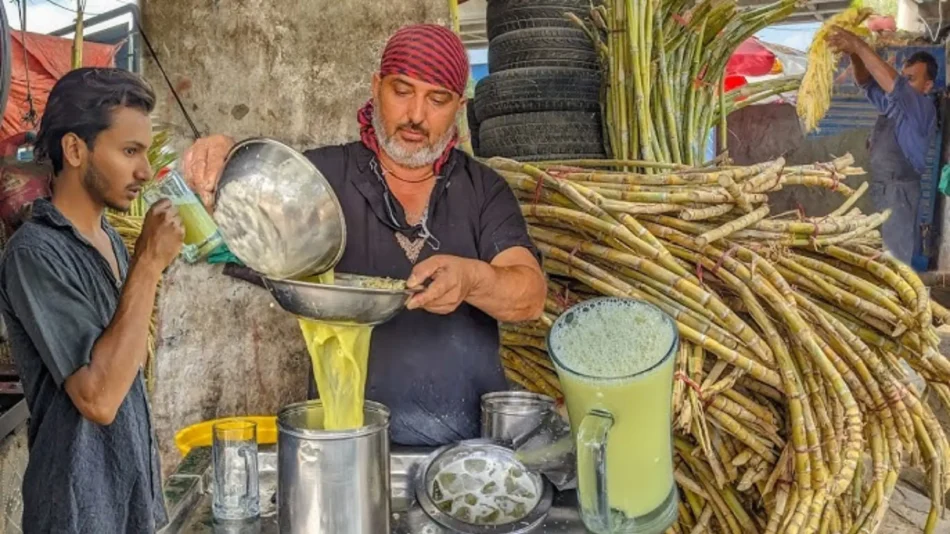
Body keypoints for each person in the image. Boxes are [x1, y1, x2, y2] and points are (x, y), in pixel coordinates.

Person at [185, 24, 547, 446]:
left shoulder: (483, 190)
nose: (416, 114)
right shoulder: (319, 179)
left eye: (437, 99)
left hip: (468, 451)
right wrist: (224, 158)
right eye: (402, 90)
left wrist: (472, 279)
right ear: (376, 87)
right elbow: (237, 210)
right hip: (344, 445)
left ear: (458, 107)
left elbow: (529, 297)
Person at [0, 68, 183, 532]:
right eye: (129, 151)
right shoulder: (35, 253)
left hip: (127, 500)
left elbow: (130, 362)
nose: (144, 170)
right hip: (77, 512)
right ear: (75, 149)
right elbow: (98, 398)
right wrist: (148, 265)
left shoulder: (110, 240)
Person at [827, 27, 939, 265]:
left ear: (927, 86)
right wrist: (854, 56)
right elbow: (866, 83)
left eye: (911, 79)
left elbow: (895, 85)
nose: (904, 83)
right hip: (882, 188)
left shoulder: (922, 107)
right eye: (904, 76)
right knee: (881, 255)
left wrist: (859, 45)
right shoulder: (894, 105)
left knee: (898, 263)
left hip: (902, 194)